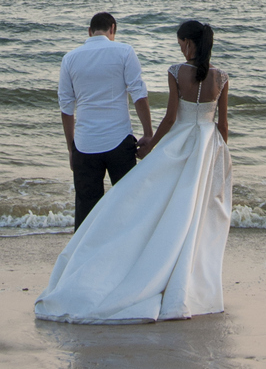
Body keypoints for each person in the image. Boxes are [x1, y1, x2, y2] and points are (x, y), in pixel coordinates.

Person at [35, 19, 232, 324]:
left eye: (181, 42)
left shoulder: (175, 72)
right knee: (185, 214)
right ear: (112, 29)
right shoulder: (221, 77)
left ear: (190, 44)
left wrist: (150, 143)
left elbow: (170, 117)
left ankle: (95, 268)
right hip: (198, 149)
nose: (179, 47)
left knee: (125, 206)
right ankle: (183, 279)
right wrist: (219, 153)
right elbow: (221, 125)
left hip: (121, 144)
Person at [57, 11, 154, 231]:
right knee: (128, 206)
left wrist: (71, 148)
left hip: (85, 144)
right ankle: (127, 257)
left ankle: (84, 261)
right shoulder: (124, 51)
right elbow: (139, 94)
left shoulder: (70, 58)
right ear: (113, 29)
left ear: (89, 32)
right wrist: (148, 134)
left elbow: (66, 108)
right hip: (119, 142)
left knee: (86, 214)